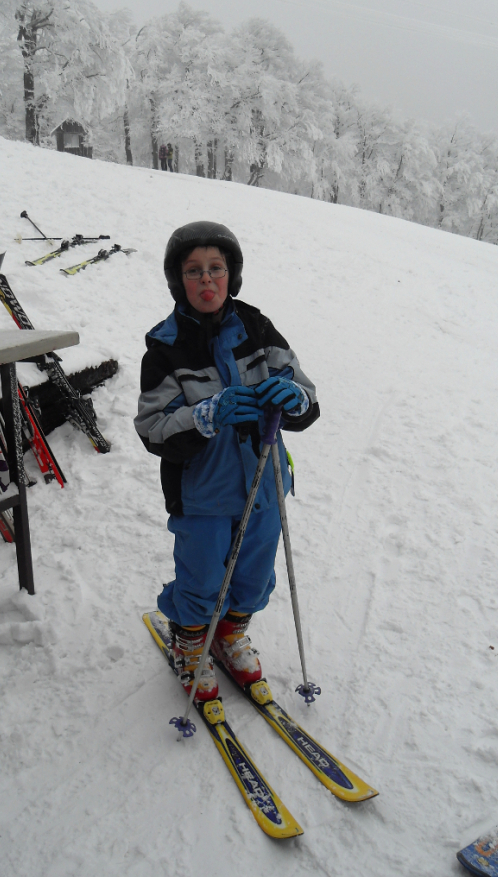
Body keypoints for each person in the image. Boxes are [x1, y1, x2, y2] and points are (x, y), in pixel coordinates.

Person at [135, 222, 319, 701]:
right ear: (179, 280)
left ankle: (230, 632)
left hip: (265, 480)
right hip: (203, 491)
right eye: (194, 271)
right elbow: (153, 428)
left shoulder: (256, 327)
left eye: (217, 268)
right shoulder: (165, 347)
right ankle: (191, 639)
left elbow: (306, 394)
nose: (207, 280)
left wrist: (294, 396)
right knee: (202, 576)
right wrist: (204, 415)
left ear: (231, 275)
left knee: (255, 573)